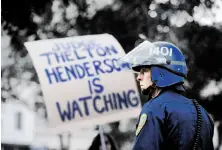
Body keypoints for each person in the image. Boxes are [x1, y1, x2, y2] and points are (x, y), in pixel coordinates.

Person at [119, 40, 214, 150]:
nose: (139, 77)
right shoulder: (202, 112)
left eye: (144, 71)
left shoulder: (154, 108)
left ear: (160, 72)